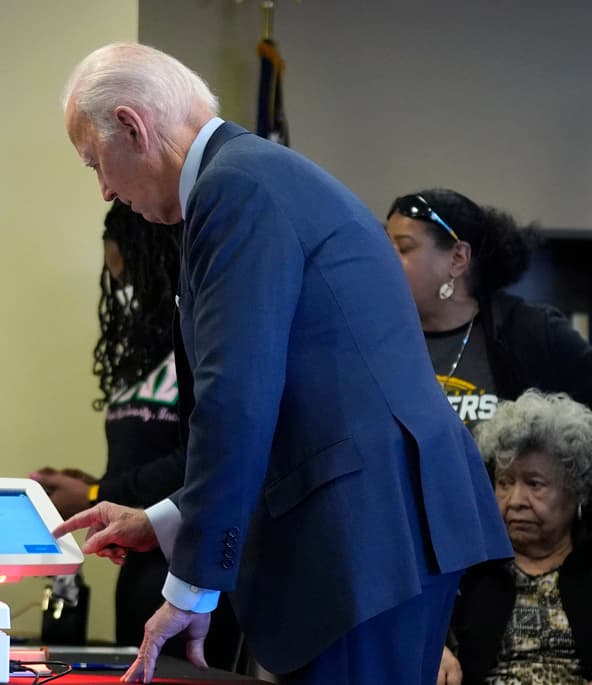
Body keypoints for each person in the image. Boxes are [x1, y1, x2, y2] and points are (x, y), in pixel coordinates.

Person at [52, 42, 512, 685]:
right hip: (371, 536)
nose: (104, 188)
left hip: (362, 541)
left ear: (134, 126)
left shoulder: (233, 189)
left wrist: (188, 591)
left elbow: (236, 400)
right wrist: (165, 520)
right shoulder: (252, 176)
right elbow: (289, 402)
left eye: (96, 162)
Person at [31, 200, 240, 667]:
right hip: (136, 564)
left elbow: (198, 458)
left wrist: (93, 493)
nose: (121, 287)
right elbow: (141, 455)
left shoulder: (201, 340)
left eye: (127, 274)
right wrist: (85, 483)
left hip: (191, 570)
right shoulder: (142, 349)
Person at [385, 189, 592, 430]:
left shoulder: (533, 333)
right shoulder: (377, 340)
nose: (386, 259)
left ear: (458, 258)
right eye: (385, 247)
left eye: (404, 248)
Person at [437, 390, 592, 685]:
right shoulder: (470, 572)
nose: (515, 500)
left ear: (576, 491)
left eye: (535, 484)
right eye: (504, 483)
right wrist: (438, 651)